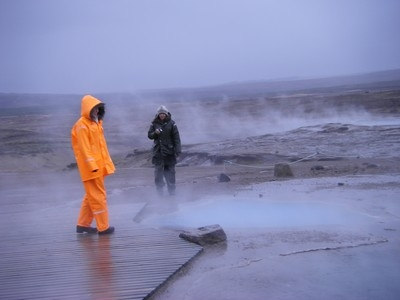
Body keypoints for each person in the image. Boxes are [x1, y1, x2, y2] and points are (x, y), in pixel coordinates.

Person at [71, 95, 115, 234]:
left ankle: (82, 224)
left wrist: (105, 165)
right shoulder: (82, 125)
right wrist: (93, 166)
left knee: (91, 196)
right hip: (92, 169)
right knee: (98, 197)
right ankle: (104, 227)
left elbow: (101, 147)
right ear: (87, 109)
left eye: (98, 108)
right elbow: (84, 149)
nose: (96, 111)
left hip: (98, 167)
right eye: (94, 109)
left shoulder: (95, 123)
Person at [148, 105, 181, 195]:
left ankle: (172, 192)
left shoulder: (172, 123)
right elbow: (150, 136)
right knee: (158, 174)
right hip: (158, 152)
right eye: (160, 114)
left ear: (166, 114)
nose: (162, 115)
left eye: (163, 114)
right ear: (158, 114)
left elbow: (176, 138)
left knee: (170, 173)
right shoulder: (154, 124)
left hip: (169, 152)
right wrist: (155, 133)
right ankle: (160, 193)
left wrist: (178, 150)